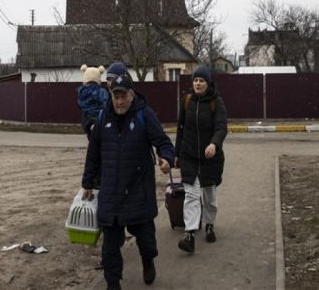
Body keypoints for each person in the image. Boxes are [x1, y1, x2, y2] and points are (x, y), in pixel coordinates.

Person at [82, 73, 174, 290]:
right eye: (116, 97)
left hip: (137, 191)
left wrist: (167, 159)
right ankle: (113, 284)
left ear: (132, 96)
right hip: (111, 193)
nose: (120, 101)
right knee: (110, 249)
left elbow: (163, 142)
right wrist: (87, 182)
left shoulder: (144, 115)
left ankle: (147, 260)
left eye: (124, 96)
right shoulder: (104, 118)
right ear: (111, 97)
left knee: (147, 242)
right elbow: (93, 153)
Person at [174, 65, 228, 254]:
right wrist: (176, 153)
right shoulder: (187, 100)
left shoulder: (216, 102)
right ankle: (189, 234)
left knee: (209, 196)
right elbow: (180, 128)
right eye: (196, 80)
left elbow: (221, 127)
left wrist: (214, 144)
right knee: (191, 195)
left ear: (208, 83)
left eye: (201, 80)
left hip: (209, 157)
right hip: (189, 155)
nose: (197, 83)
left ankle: (209, 224)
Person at [77, 64, 109, 136]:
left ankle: (90, 129)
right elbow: (105, 103)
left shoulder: (81, 91)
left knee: (91, 137)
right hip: (99, 117)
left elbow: (80, 104)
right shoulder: (101, 91)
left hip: (86, 118)